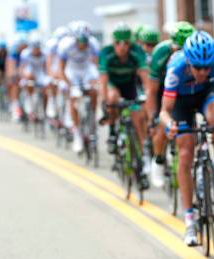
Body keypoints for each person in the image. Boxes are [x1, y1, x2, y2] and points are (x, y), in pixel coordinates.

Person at [159, 31, 214, 246]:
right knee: (186, 151)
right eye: (198, 68)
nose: (203, 72)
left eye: (207, 68)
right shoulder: (176, 68)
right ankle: (189, 219)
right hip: (180, 102)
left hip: (205, 94)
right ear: (188, 61)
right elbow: (164, 111)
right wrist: (169, 125)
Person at [98, 23, 151, 188]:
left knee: (139, 118)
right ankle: (113, 132)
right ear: (113, 43)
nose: (122, 47)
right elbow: (103, 82)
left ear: (131, 43)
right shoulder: (105, 54)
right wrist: (106, 102)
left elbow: (145, 79)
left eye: (126, 43)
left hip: (130, 86)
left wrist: (148, 96)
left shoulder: (137, 52)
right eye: (118, 43)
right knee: (112, 98)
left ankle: (141, 163)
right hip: (114, 85)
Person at [146, 21, 195, 188]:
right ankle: (158, 160)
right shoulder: (161, 53)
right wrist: (152, 117)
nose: (182, 54)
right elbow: (151, 91)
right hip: (163, 88)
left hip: (186, 89)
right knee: (161, 127)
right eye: (178, 49)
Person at [58, 21, 100, 153]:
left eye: (85, 40)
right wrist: (69, 84)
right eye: (80, 40)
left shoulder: (93, 44)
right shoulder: (65, 46)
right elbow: (61, 68)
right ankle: (77, 134)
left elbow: (96, 66)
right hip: (72, 71)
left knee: (93, 91)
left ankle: (92, 116)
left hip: (87, 69)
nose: (82, 44)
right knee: (74, 97)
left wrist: (95, 81)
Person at [19, 33, 49, 117]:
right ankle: (29, 100)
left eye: (38, 47)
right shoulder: (25, 53)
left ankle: (45, 110)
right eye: (34, 47)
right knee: (29, 79)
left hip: (40, 73)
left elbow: (46, 68)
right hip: (29, 71)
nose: (36, 49)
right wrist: (24, 76)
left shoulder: (44, 54)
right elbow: (22, 68)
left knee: (46, 88)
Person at [7, 33, 29, 121]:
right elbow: (10, 65)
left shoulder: (28, 51)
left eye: (25, 46)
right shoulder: (13, 51)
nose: (23, 48)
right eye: (21, 46)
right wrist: (12, 74)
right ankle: (15, 107)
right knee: (14, 83)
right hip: (15, 67)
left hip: (24, 68)